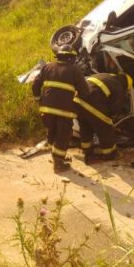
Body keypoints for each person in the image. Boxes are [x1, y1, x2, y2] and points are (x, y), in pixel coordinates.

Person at [31, 44, 90, 173]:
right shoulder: (75, 71)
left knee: (52, 132)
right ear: (71, 58)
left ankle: (56, 157)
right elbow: (85, 92)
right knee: (63, 136)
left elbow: (35, 85)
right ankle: (58, 164)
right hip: (65, 111)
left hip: (46, 110)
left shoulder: (47, 67)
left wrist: (38, 100)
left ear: (59, 56)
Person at [74, 72, 130, 163]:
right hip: (91, 102)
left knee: (85, 126)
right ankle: (110, 154)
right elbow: (115, 107)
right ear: (126, 84)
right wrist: (111, 117)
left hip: (76, 101)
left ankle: (88, 151)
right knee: (105, 127)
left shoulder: (105, 76)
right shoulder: (119, 86)